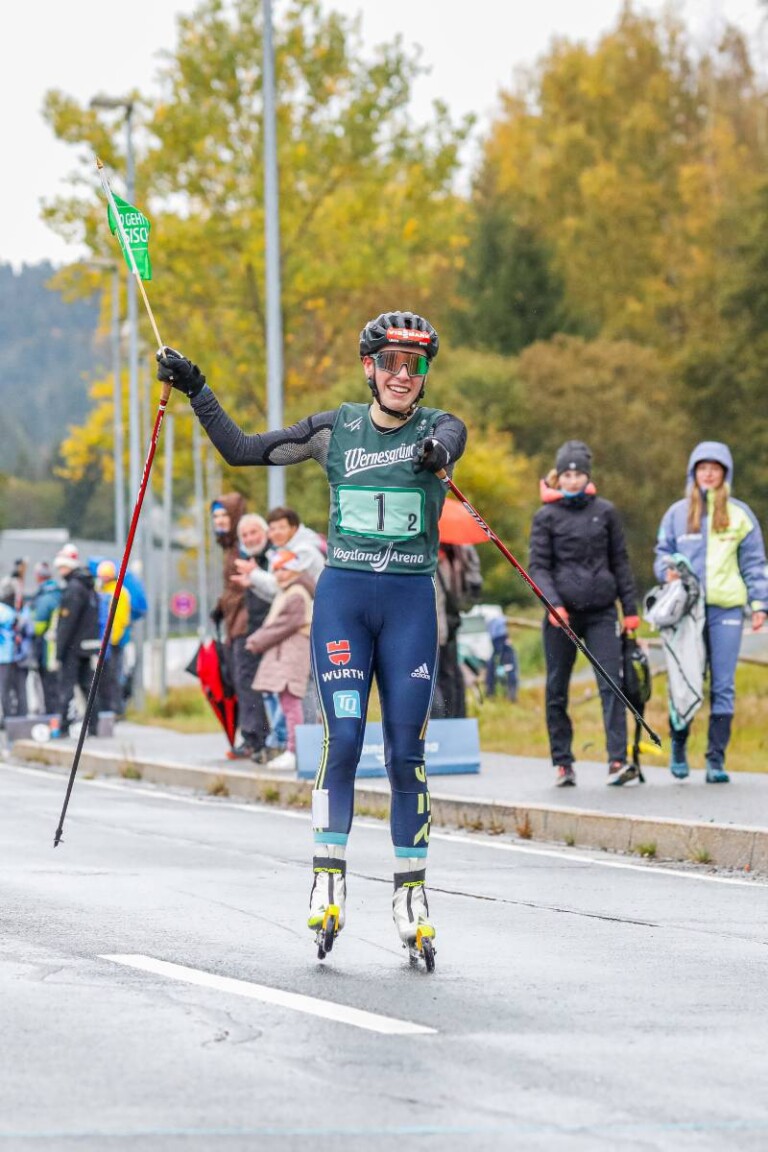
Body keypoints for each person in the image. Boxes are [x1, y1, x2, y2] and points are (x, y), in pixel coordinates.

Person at [157, 309, 466, 965]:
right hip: (345, 604)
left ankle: (411, 896)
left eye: (414, 365)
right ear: (369, 367)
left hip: (410, 604)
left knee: (408, 750)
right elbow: (243, 450)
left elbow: (451, 438)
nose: (402, 376)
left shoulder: (438, 428)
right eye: (390, 362)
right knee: (346, 739)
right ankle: (329, 875)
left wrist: (438, 454)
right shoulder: (336, 430)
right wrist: (197, 388)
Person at [528, 440, 640, 788]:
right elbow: (538, 567)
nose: (573, 480)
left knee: (613, 685)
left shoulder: (604, 512)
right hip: (562, 615)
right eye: (567, 474)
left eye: (578, 473)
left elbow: (619, 561)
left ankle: (617, 761)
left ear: (587, 476)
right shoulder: (545, 517)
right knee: (557, 689)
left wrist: (631, 609)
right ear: (558, 477)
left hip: (602, 612)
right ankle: (563, 762)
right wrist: (553, 604)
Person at [654, 441, 767, 783]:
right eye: (702, 468)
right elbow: (662, 553)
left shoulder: (740, 515)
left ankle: (716, 759)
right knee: (686, 678)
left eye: (714, 468)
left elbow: (754, 563)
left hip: (726, 609)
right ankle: (679, 745)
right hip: (687, 610)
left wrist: (759, 604)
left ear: (724, 474)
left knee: (723, 683)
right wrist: (666, 571)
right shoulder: (676, 514)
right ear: (693, 472)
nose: (708, 473)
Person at [245, 549, 314, 772]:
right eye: (276, 569)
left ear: (295, 568)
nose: (280, 573)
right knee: (288, 703)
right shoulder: (290, 590)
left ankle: (296, 750)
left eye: (284, 568)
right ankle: (292, 748)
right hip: (285, 652)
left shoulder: (296, 592)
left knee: (292, 702)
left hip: (291, 652)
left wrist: (257, 640)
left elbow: (285, 623)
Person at [208, 493, 256, 759]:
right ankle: (251, 736)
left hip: (244, 622)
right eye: (216, 517)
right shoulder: (229, 546)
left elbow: (241, 585)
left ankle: (254, 738)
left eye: (224, 515)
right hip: (234, 620)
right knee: (239, 679)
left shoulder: (241, 546)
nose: (219, 521)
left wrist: (223, 604)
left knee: (245, 679)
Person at [229, 513, 273, 762]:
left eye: (254, 532)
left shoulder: (273, 556)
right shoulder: (244, 558)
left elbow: (278, 587)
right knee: (247, 682)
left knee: (274, 686)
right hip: (249, 629)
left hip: (274, 629)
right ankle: (255, 737)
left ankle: (267, 738)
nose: (250, 538)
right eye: (244, 535)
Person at [52, 545, 100, 738]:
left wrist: (58, 652)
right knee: (87, 686)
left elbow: (67, 624)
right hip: (87, 645)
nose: (60, 571)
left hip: (72, 647)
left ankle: (62, 727)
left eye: (62, 567)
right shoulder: (88, 586)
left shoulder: (73, 589)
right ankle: (95, 726)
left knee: (66, 687)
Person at [431, 543, 482, 719]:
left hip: (441, 630)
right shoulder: (460, 551)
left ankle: (445, 724)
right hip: (445, 628)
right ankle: (452, 721)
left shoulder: (454, 554)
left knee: (438, 679)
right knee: (449, 676)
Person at [94, 560, 132, 718]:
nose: (102, 579)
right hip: (106, 641)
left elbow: (121, 619)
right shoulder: (102, 591)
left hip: (115, 641)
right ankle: (108, 708)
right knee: (106, 677)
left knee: (115, 676)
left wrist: (112, 640)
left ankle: (117, 709)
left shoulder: (120, 593)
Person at [30, 560, 62, 715]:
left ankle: (52, 717)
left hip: (46, 648)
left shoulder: (45, 597)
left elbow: (38, 626)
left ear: (38, 577)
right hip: (59, 646)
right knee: (57, 685)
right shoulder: (59, 593)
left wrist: (29, 622)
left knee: (48, 686)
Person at [265, 506, 326, 585]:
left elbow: (276, 586)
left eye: (282, 527)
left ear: (293, 528)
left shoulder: (304, 550)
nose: (277, 533)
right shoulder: (283, 548)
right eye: (272, 529)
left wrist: (252, 573)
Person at [485, 615, 519, 702]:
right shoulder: (499, 623)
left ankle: (510, 695)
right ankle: (493, 694)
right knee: (508, 668)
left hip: (501, 643)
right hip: (501, 643)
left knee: (507, 668)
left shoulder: (494, 623)